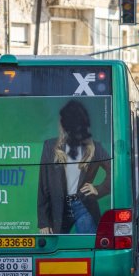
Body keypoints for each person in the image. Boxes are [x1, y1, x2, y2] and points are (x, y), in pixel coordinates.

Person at [37, 100, 111, 234]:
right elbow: (43, 186)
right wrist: (44, 221)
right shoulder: (49, 146)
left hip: (84, 207)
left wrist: (99, 189)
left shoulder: (95, 147)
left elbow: (116, 170)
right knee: (59, 253)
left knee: (86, 249)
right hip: (58, 210)